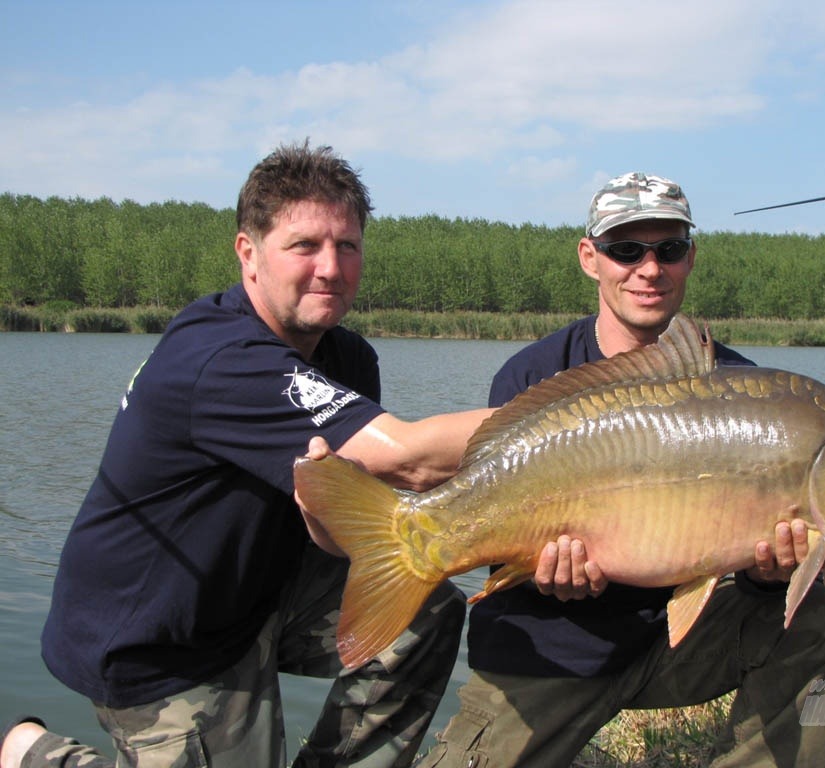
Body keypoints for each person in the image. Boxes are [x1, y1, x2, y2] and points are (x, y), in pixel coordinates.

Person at [0, 141, 494, 768]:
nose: (331, 267)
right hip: (161, 637)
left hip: (256, 593)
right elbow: (409, 460)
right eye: (305, 245)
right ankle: (34, 754)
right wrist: (585, 418)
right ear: (248, 253)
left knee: (421, 603)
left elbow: (353, 513)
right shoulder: (221, 357)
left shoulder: (348, 358)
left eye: (347, 245)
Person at [420, 172, 825, 768]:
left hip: (676, 646)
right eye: (626, 249)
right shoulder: (533, 377)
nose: (649, 268)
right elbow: (500, 526)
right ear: (591, 257)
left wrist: (773, 574)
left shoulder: (742, 389)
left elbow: (743, 556)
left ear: (691, 257)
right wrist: (537, 572)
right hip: (553, 650)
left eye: (669, 249)